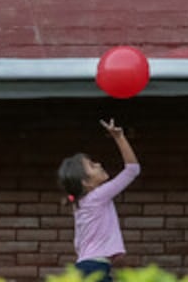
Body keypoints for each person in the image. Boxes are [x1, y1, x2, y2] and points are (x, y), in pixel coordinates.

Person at [56, 119, 140, 282]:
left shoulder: (81, 203)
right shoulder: (97, 197)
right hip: (94, 269)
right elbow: (132, 169)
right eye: (92, 166)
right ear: (85, 182)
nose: (99, 164)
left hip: (85, 267)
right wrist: (119, 137)